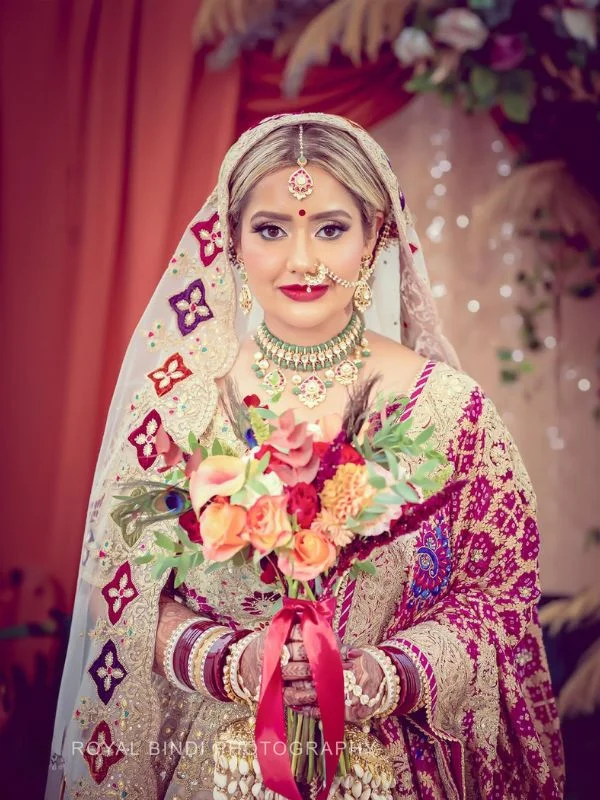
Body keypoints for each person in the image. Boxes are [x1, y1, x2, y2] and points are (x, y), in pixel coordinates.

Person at [46, 113, 564, 800]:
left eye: (329, 227)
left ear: (376, 236)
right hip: (216, 767)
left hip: (398, 771)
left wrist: (380, 675)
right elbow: (123, 597)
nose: (301, 261)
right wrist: (234, 662)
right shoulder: (177, 407)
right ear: (229, 242)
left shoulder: (448, 412)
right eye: (270, 229)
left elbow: (499, 604)